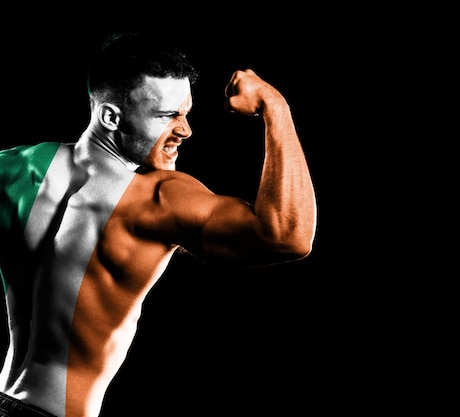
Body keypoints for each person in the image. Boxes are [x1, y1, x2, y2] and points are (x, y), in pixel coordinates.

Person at [0, 32, 317, 417]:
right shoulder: (156, 199)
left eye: (185, 112)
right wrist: (275, 107)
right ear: (111, 117)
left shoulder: (15, 167)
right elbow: (288, 234)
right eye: (167, 116)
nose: (185, 130)